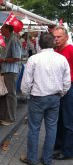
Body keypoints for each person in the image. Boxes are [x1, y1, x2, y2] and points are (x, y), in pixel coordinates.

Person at [20, 32, 71, 165]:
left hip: (37, 98)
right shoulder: (61, 59)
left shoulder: (34, 59)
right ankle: (47, 159)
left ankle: (31, 158)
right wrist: (60, 94)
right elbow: (67, 83)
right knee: (51, 129)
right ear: (53, 43)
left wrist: (27, 95)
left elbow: (26, 83)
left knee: (34, 129)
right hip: (54, 98)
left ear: (40, 44)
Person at [0, 24, 22, 126]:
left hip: (11, 71)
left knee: (10, 95)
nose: (0, 30)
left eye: (2, 28)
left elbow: (18, 58)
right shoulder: (7, 40)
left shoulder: (14, 40)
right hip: (5, 70)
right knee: (4, 93)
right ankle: (1, 116)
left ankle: (11, 118)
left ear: (7, 29)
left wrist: (3, 60)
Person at [52, 26, 73, 160]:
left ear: (66, 37)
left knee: (68, 120)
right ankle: (59, 144)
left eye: (59, 37)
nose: (56, 39)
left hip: (69, 87)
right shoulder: (55, 51)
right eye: (54, 37)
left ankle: (68, 151)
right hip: (58, 88)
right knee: (59, 119)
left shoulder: (70, 50)